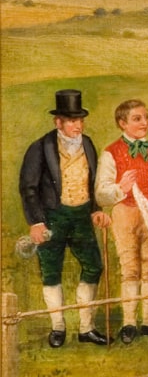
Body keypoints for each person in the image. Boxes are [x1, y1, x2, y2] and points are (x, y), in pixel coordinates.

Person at [18, 89, 113, 347]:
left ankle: (86, 327)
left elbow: (92, 181)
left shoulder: (89, 144)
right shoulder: (40, 147)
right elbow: (28, 188)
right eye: (71, 121)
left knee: (94, 266)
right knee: (51, 272)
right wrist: (36, 222)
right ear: (57, 122)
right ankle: (58, 327)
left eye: (80, 120)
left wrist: (95, 209)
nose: (77, 126)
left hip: (82, 216)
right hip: (52, 217)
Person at [96, 99, 148, 344]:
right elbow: (101, 192)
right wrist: (121, 187)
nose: (144, 123)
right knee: (130, 268)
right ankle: (129, 323)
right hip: (125, 213)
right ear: (122, 123)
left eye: (146, 117)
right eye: (137, 119)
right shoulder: (111, 153)